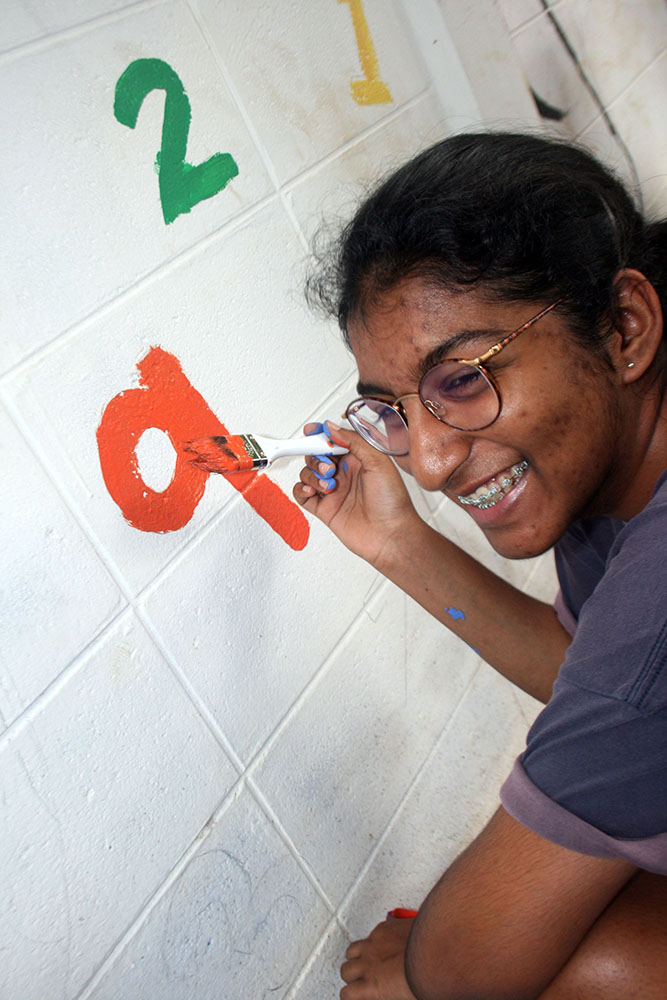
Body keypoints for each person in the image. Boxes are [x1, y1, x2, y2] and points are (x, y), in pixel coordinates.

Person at [292, 132, 667, 999]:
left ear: (623, 328)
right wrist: (399, 544)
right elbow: (602, 680)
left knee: (584, 970)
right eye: (392, 410)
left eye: (461, 379)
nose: (426, 465)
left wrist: (416, 976)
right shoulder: (606, 465)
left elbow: (466, 968)